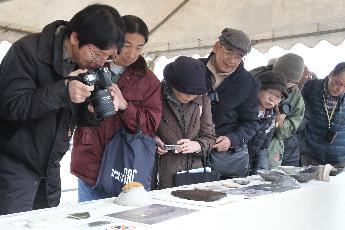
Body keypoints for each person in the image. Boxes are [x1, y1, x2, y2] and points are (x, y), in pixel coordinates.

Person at [0, 4, 124, 215]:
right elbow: (10, 106)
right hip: (14, 166)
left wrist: (93, 112)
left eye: (108, 57)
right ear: (75, 37)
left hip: (51, 168)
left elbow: (75, 117)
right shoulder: (28, 51)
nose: (102, 62)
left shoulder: (88, 65)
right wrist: (62, 91)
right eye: (97, 54)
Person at [71, 15, 162, 202]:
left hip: (126, 165)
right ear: (115, 39)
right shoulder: (87, 67)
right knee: (92, 222)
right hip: (91, 163)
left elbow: (151, 125)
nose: (131, 54)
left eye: (139, 47)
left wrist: (125, 106)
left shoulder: (149, 81)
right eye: (127, 45)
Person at [199, 28, 260, 178]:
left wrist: (233, 139)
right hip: (187, 151)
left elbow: (251, 122)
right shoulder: (194, 69)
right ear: (216, 47)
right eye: (229, 52)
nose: (232, 60)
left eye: (239, 56)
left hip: (221, 157)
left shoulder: (249, 83)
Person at [154, 56, 216, 189]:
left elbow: (210, 137)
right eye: (187, 93)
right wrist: (153, 140)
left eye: (195, 93)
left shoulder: (203, 100)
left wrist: (197, 145)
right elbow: (143, 129)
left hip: (193, 173)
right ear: (173, 86)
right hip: (160, 171)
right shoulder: (156, 95)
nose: (191, 97)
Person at [299, 62, 345, 167]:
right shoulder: (311, 87)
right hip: (310, 155)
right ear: (331, 74)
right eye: (338, 83)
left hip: (340, 158)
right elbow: (299, 114)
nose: (340, 90)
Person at [267, 53, 305, 168]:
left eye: (292, 81)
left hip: (274, 148)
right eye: (285, 79)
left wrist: (280, 123)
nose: (287, 84)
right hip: (248, 141)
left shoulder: (295, 95)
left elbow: (293, 123)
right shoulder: (258, 79)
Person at [248, 71, 288, 174]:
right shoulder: (244, 108)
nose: (272, 99)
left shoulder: (272, 116)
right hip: (236, 163)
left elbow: (264, 147)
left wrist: (261, 174)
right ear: (258, 88)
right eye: (270, 92)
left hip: (253, 164)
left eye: (278, 96)